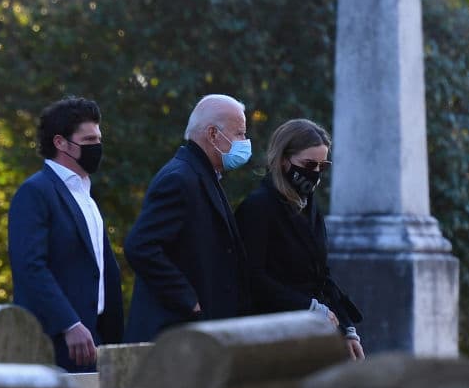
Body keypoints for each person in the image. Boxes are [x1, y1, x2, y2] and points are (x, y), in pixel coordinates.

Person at [123, 94, 251, 342]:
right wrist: (189, 301)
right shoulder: (179, 179)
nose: (245, 142)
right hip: (174, 333)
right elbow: (141, 246)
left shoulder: (202, 174)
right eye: (240, 133)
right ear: (213, 134)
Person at [8, 98, 124, 371]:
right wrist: (68, 323)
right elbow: (30, 267)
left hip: (96, 337)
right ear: (60, 143)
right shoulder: (35, 192)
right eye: (88, 139)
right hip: (58, 340)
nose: (97, 146)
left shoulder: (85, 193)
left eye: (99, 138)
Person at [234, 119, 365, 360]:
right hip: (271, 335)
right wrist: (308, 307)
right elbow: (252, 277)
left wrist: (348, 329)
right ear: (284, 161)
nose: (314, 173)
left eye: (321, 166)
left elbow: (321, 276)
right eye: (308, 164)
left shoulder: (309, 207)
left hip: (307, 332)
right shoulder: (258, 208)